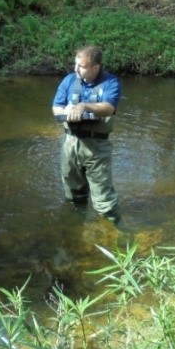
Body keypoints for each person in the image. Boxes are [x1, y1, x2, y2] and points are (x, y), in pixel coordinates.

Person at [52, 45, 121, 223]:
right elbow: (56, 107)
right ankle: (75, 228)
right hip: (70, 143)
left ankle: (115, 233)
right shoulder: (68, 80)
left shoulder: (111, 82)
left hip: (97, 147)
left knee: (104, 200)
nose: (76, 69)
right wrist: (67, 113)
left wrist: (83, 106)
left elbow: (108, 107)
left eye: (81, 66)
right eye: (75, 64)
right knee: (73, 195)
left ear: (95, 68)